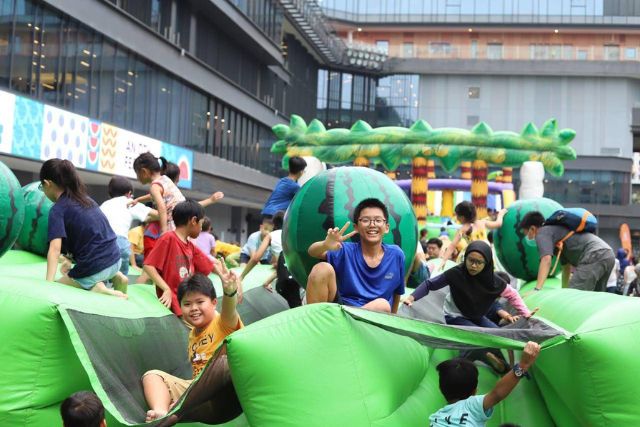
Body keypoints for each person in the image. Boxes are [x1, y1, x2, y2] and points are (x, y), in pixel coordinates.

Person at [142, 272, 242, 422]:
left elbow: (229, 309)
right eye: (187, 304)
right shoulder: (193, 334)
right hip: (198, 397)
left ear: (214, 302)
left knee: (224, 362)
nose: (193, 308)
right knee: (152, 375)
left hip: (225, 398)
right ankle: (161, 413)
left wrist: (229, 292)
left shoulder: (223, 322)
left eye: (200, 302)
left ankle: (177, 410)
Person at [41, 159, 128, 299]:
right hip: (116, 259)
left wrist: (49, 284)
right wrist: (69, 260)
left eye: (42, 187)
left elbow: (54, 250)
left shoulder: (57, 209)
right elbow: (89, 236)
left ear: (47, 184)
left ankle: (100, 289)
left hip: (96, 267)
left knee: (59, 285)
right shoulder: (87, 200)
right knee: (81, 271)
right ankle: (116, 276)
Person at [306, 198, 405, 313]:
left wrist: (393, 320)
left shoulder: (396, 255)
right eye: (366, 220)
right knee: (321, 268)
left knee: (382, 305)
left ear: (386, 227)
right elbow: (313, 252)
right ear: (356, 227)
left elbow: (397, 292)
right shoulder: (346, 250)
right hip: (343, 310)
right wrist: (325, 244)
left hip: (374, 318)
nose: (372, 225)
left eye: (378, 220)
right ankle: (317, 323)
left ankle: (343, 324)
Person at [404, 241, 531, 326]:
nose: (474, 266)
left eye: (479, 262)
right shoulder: (456, 273)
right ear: (465, 259)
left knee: (496, 333)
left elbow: (512, 294)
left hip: (476, 316)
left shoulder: (492, 280)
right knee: (477, 334)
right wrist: (411, 297)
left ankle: (501, 364)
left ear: (486, 263)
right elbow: (429, 284)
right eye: (471, 260)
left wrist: (525, 313)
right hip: (454, 316)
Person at [429, 342, 541, 427]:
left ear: (440, 388)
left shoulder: (436, 418)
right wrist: (523, 365)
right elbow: (497, 394)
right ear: (474, 391)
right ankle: (501, 365)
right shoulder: (471, 405)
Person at [143, 200, 215, 316]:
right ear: (193, 221)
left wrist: (222, 275)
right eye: (201, 223)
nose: (201, 228)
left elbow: (207, 264)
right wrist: (166, 289)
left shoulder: (190, 245)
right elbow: (148, 266)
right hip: (176, 303)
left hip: (188, 301)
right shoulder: (168, 238)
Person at [519, 211, 615, 292]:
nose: (528, 237)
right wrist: (564, 291)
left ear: (532, 228)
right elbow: (566, 268)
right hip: (608, 254)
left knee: (574, 296)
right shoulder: (558, 236)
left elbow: (546, 259)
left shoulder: (542, 232)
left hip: (594, 254)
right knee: (594, 297)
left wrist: (537, 289)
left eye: (526, 233)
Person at [100, 176, 158, 276]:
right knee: (121, 277)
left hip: (102, 242)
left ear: (110, 193)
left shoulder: (104, 204)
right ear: (129, 193)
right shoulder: (129, 203)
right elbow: (158, 215)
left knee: (103, 272)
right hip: (120, 242)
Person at [133, 153, 186, 234]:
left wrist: (164, 231)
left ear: (144, 171)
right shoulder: (164, 179)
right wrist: (138, 199)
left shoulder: (154, 187)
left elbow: (162, 208)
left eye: (137, 174)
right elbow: (155, 196)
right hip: (183, 222)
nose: (137, 178)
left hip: (173, 223)